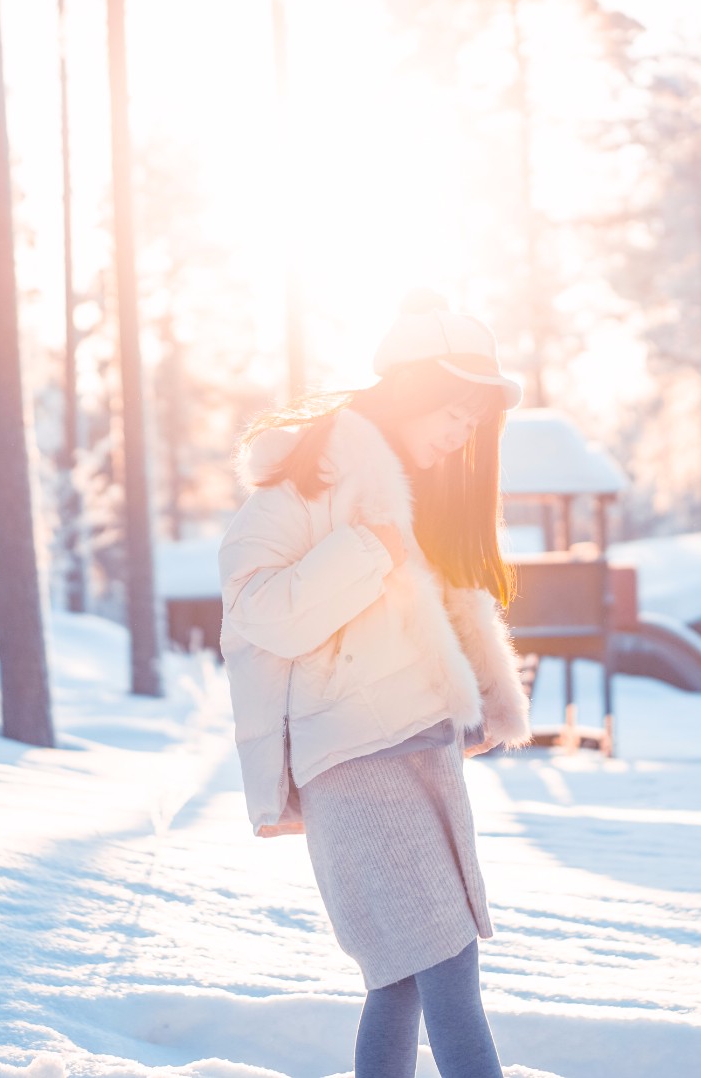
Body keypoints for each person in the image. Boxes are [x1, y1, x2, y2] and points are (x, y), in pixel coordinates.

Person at [218, 290, 535, 1078]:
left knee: (399, 977)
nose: (461, 436)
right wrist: (368, 547)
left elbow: (447, 602)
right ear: (416, 392)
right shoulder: (312, 479)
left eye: (474, 424)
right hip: (355, 757)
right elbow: (261, 613)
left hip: (420, 744)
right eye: (454, 414)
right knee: (447, 967)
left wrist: (488, 697)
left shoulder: (412, 491)